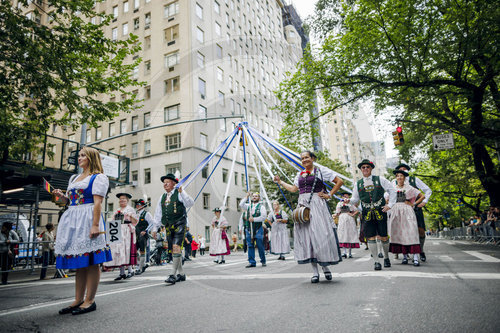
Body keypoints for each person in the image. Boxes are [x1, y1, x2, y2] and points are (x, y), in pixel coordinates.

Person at [53, 146, 111, 315]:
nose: (79, 158)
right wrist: (62, 197)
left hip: (87, 218)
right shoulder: (74, 177)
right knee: (80, 263)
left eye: (83, 155)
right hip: (73, 220)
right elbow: (71, 202)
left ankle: (90, 300)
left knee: (92, 262)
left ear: (91, 158)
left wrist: (95, 225)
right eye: (79, 155)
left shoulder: (99, 177)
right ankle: (78, 299)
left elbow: (98, 203)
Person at [274, 151, 343, 283]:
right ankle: (315, 272)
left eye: (306, 157)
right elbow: (294, 189)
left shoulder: (321, 170)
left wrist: (329, 195)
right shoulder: (299, 174)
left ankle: (325, 267)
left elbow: (339, 181)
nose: (304, 160)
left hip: (317, 205)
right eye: (302, 158)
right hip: (303, 207)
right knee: (308, 238)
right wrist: (280, 182)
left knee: (321, 236)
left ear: (312, 159)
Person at [350, 159, 396, 271]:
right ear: (361, 169)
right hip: (366, 214)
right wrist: (349, 201)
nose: (365, 169)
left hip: (380, 211)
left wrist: (390, 205)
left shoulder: (380, 179)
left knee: (384, 236)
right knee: (370, 237)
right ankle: (376, 261)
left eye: (367, 167)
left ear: (371, 168)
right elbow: (355, 199)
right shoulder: (358, 184)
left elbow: (392, 191)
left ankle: (386, 257)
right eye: (363, 167)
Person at [153, 174, 194, 285]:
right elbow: (158, 214)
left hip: (180, 224)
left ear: (174, 183)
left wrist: (182, 192)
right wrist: (154, 228)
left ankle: (173, 275)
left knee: (176, 247)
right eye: (164, 182)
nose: (165, 184)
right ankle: (181, 274)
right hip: (168, 227)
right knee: (174, 250)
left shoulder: (180, 193)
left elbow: (190, 203)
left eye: (168, 182)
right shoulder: (162, 197)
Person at [395, 163, 432, 262]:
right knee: (403, 231)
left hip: (415, 209)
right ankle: (404, 253)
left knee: (420, 231)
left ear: (407, 171)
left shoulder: (414, 180)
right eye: (400, 169)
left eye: (404, 169)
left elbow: (427, 190)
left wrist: (424, 201)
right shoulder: (394, 182)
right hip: (401, 210)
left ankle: (421, 250)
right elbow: (388, 194)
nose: (402, 171)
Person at [388, 170, 424, 266]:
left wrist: (414, 204)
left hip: (407, 211)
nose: (399, 177)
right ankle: (404, 257)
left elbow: (422, 196)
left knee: (412, 232)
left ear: (404, 178)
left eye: (401, 176)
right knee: (400, 233)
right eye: (398, 176)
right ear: (396, 178)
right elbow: (387, 199)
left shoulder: (409, 188)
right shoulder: (392, 188)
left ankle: (416, 258)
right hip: (396, 211)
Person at [104, 192, 138, 280]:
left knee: (127, 250)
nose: (122, 200)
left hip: (127, 231)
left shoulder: (130, 210)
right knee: (119, 251)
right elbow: (112, 221)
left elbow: (135, 222)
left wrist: (130, 216)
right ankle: (122, 272)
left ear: (127, 200)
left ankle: (130, 270)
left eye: (124, 199)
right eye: (120, 199)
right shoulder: (116, 210)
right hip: (118, 231)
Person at [239, 192, 268, 268]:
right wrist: (247, 196)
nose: (254, 197)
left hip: (258, 229)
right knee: (250, 245)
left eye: (256, 196)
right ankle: (252, 262)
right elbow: (241, 204)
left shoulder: (261, 207)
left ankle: (263, 260)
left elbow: (264, 217)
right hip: (249, 229)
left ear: (259, 198)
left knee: (260, 245)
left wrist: (254, 219)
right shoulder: (248, 206)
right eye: (253, 196)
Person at [335, 193, 360, 258]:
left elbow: (357, 210)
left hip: (349, 219)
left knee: (350, 234)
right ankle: (344, 252)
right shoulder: (339, 203)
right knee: (343, 234)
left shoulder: (351, 203)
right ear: (342, 197)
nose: (346, 197)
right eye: (344, 196)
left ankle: (350, 253)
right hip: (342, 219)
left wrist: (352, 214)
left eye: (347, 196)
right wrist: (338, 215)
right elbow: (337, 212)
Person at [134, 199, 154, 275]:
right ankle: (142, 265)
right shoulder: (135, 214)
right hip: (136, 234)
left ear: (142, 206)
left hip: (143, 234)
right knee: (135, 251)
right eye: (137, 205)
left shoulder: (147, 214)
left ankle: (140, 268)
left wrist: (146, 230)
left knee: (142, 250)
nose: (137, 206)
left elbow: (152, 223)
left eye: (139, 205)